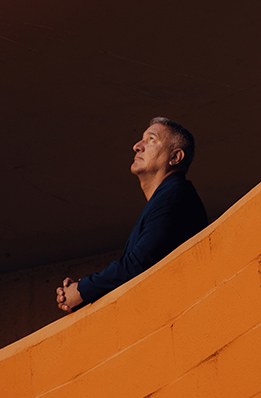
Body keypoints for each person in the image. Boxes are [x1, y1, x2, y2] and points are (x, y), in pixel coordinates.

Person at [56, 117, 208, 313]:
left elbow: (139, 263)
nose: (137, 146)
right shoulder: (166, 198)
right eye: (141, 139)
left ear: (175, 157)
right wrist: (82, 294)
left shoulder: (176, 194)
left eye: (151, 140)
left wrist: (84, 289)